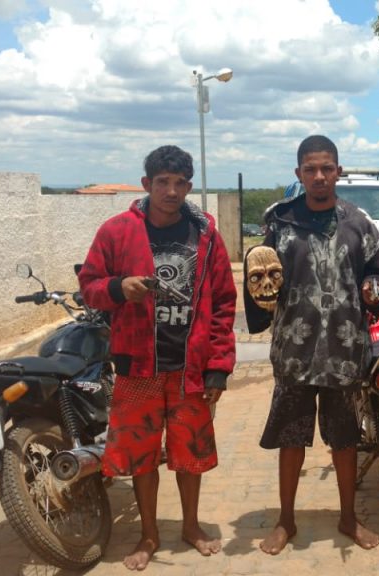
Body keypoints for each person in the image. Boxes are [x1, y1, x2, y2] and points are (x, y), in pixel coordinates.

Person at [79, 145, 236, 571]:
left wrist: (219, 366)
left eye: (179, 183)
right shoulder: (116, 232)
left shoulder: (205, 234)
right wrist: (117, 288)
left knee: (190, 454)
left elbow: (223, 301)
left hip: (190, 369)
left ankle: (190, 526)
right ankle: (148, 534)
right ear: (147, 184)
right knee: (141, 456)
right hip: (137, 366)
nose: (171, 190)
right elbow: (89, 284)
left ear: (188, 186)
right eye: (162, 181)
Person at [244, 135, 379, 554]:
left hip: (345, 352)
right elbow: (260, 274)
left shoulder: (358, 223)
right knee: (291, 438)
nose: (319, 176)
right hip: (295, 350)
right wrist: (259, 306)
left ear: (338, 172)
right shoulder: (281, 223)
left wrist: (373, 287)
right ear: (299, 174)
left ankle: (348, 518)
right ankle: (285, 521)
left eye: (327, 168)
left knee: (344, 437)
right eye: (310, 169)